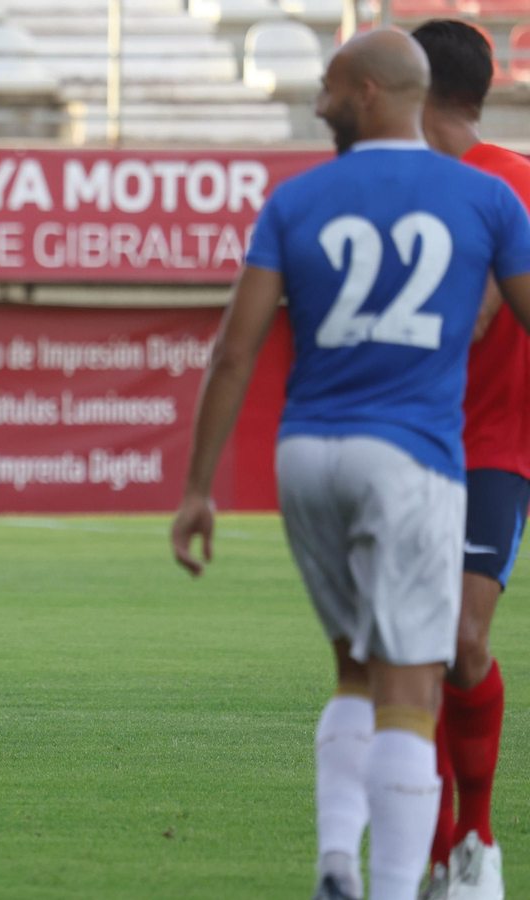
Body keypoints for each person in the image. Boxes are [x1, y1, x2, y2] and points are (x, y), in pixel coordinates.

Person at [168, 29, 530, 900]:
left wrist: (195, 487)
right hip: (418, 451)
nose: (318, 101)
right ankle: (406, 875)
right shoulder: (481, 197)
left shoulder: (306, 197)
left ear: (380, 89)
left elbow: (233, 353)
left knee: (406, 659)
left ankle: (406, 853)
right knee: (408, 677)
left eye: (330, 85)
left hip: (370, 451)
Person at [409, 21, 525, 900]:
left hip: (491, 445)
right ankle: (441, 849)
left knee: (460, 640)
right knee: (411, 652)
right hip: (406, 444)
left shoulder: (514, 183)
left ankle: (476, 842)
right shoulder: (401, 188)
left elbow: (483, 312)